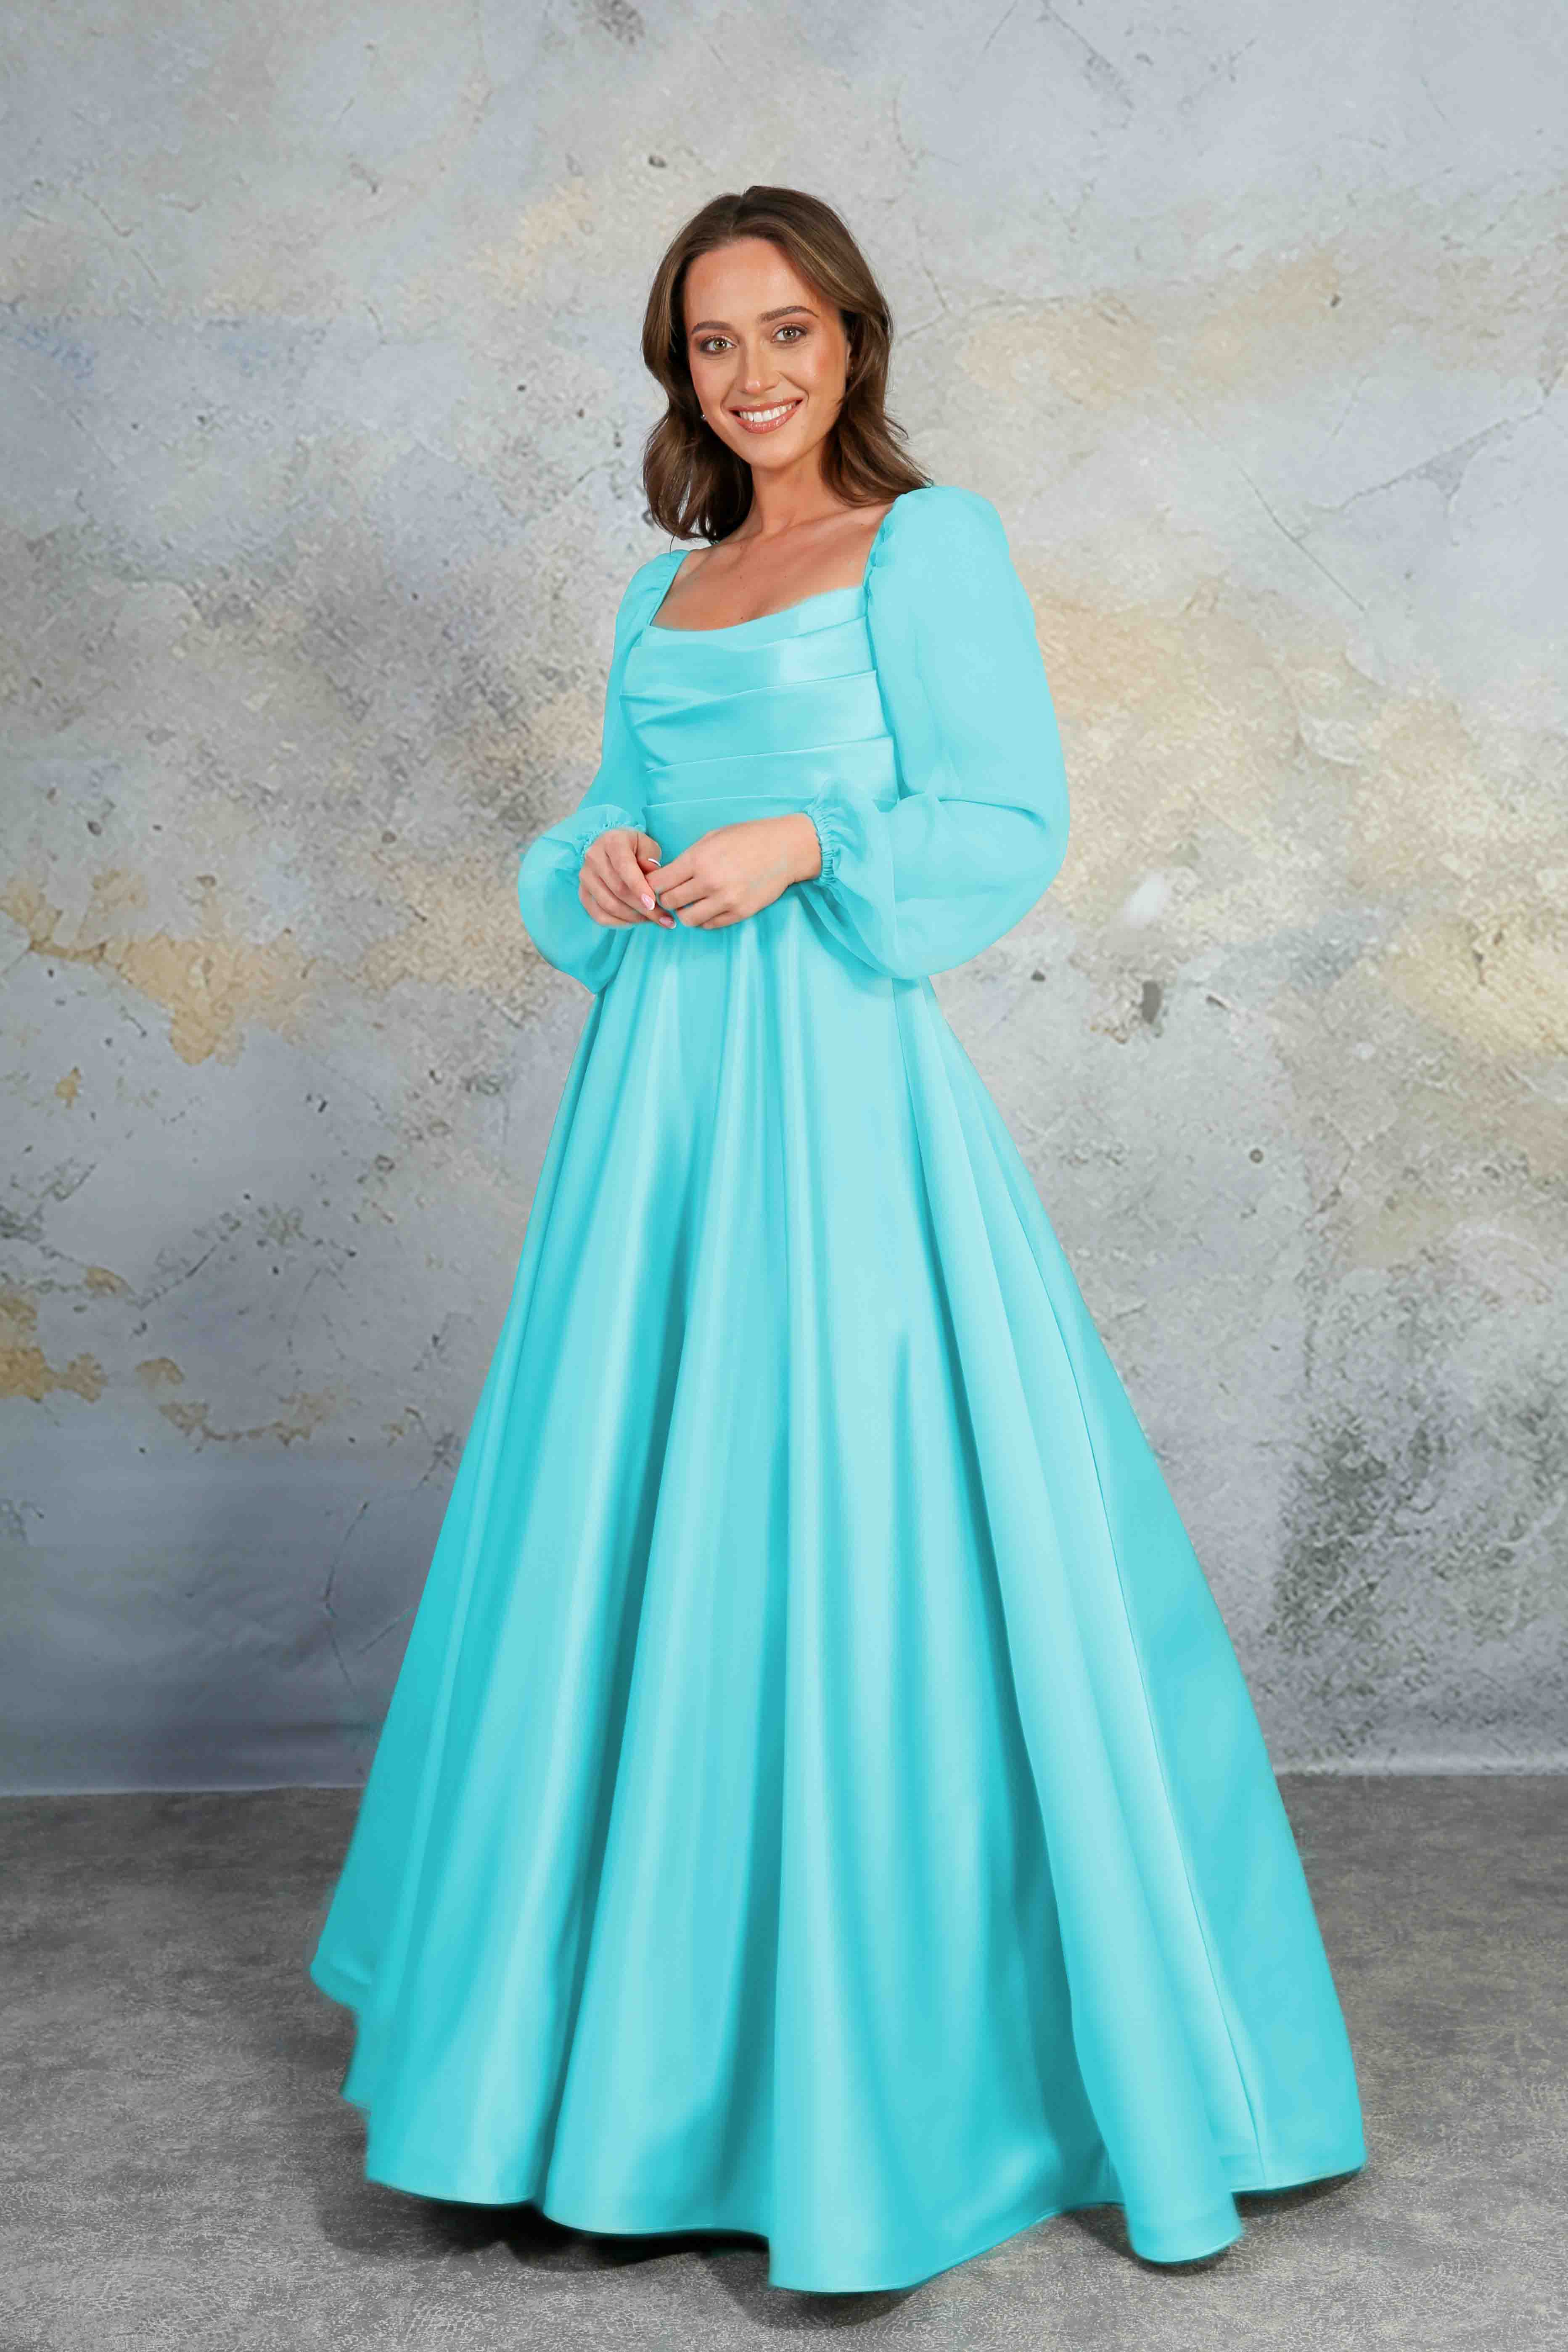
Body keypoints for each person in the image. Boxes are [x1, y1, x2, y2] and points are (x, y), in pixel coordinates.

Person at [308, 184, 1366, 2295]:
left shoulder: (929, 544)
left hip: (840, 1098)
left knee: (842, 1537)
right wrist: (598, 866)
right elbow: (592, 813)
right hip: (660, 1115)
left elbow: (1006, 817)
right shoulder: (664, 587)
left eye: (786, 329)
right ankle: (582, 2101)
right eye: (714, 342)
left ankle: (854, 2104)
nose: (754, 373)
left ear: (853, 339)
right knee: (628, 1542)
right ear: (680, 371)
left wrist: (811, 838)